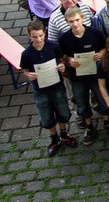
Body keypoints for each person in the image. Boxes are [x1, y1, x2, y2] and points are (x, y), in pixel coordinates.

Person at [59, 8, 109, 145]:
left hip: (96, 74)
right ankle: (89, 127)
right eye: (71, 21)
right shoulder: (64, 38)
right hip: (77, 77)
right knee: (81, 102)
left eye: (77, 20)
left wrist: (101, 54)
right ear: (67, 22)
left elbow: (105, 48)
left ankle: (107, 123)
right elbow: (62, 56)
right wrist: (69, 61)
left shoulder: (94, 33)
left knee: (102, 99)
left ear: (83, 18)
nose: (75, 24)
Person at [20, 20, 77, 156]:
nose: (38, 39)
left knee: (62, 111)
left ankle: (64, 134)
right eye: (35, 37)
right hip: (40, 90)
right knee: (46, 115)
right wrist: (29, 75)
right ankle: (54, 138)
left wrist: (62, 66)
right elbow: (25, 70)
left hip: (57, 86)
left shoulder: (54, 46)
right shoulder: (27, 54)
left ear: (44, 33)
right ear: (29, 36)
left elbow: (61, 59)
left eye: (40, 35)